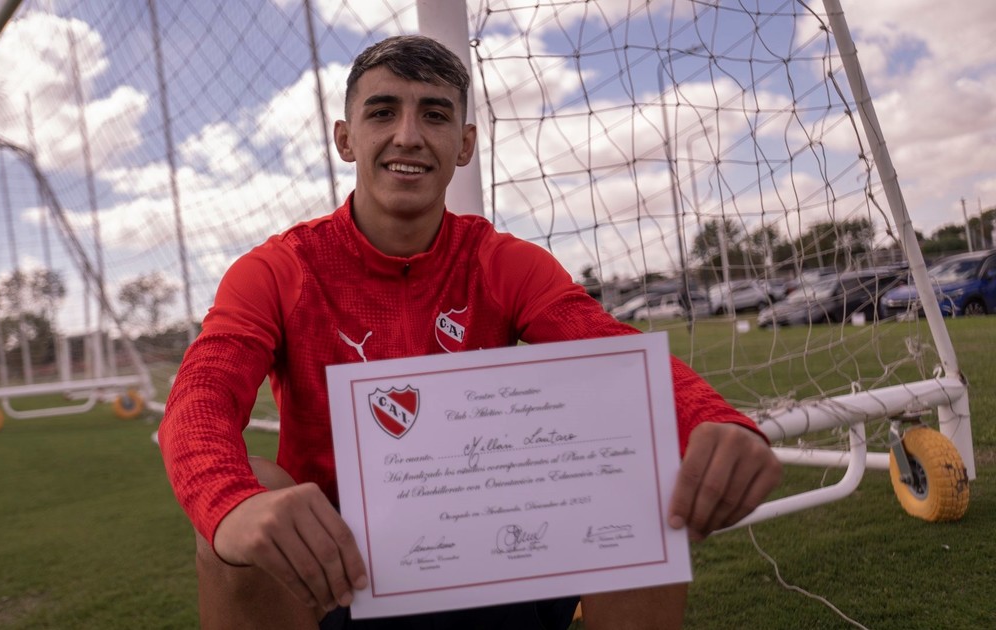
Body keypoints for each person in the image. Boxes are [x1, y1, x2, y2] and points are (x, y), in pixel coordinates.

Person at [159, 34, 782, 630]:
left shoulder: (499, 260)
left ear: (464, 144)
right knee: (252, 497)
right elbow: (202, 393)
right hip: (335, 578)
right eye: (383, 112)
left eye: (434, 114)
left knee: (637, 441)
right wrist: (231, 503)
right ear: (346, 139)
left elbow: (608, 349)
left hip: (499, 555)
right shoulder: (279, 268)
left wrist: (715, 419)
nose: (408, 135)